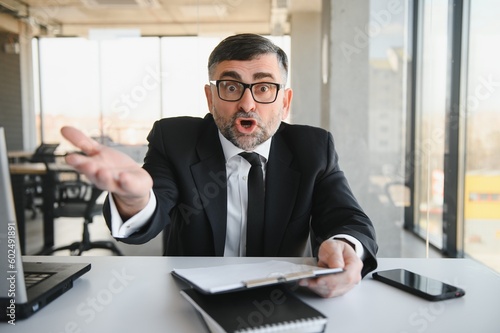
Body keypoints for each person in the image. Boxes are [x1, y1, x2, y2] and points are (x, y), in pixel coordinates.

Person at [61, 33, 378, 298]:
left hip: (283, 298)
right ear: (210, 98)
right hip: (189, 299)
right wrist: (134, 199)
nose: (247, 104)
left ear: (285, 102)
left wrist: (342, 245)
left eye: (264, 87)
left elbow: (346, 217)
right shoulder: (176, 140)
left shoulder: (314, 148)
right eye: (231, 86)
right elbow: (153, 205)